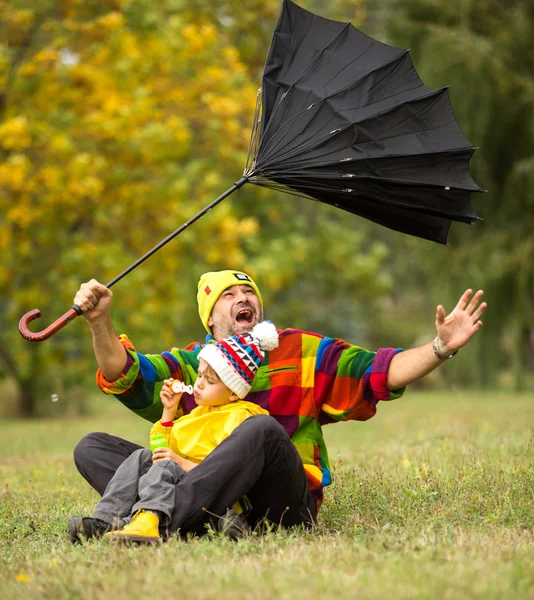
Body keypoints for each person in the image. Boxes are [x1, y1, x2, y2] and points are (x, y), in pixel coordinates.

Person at [70, 269, 487, 541]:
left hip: (282, 503)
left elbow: (379, 372)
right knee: (93, 446)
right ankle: (209, 522)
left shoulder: (302, 351)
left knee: (262, 430)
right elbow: (128, 374)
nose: (241, 298)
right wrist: (99, 321)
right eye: (228, 295)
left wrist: (439, 347)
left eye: (247, 292)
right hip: (209, 492)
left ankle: (157, 519)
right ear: (211, 320)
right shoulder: (193, 364)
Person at [70, 321, 279, 544]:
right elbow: (161, 449)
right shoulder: (197, 415)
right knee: (143, 458)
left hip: (215, 492)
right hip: (181, 487)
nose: (198, 385)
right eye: (199, 376)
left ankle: (148, 521)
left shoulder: (242, 418)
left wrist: (180, 463)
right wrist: (169, 412)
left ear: (233, 393)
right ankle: (105, 521)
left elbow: (230, 472)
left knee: (166, 467)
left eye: (209, 381)